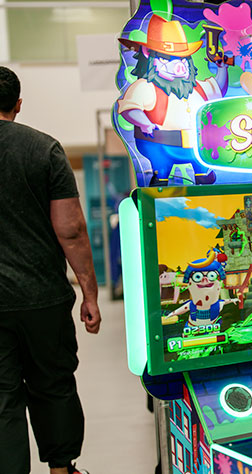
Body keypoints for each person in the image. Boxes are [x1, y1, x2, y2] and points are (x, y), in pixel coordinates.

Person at [0, 66, 102, 474]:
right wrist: (89, 293)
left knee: (2, 397)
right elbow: (71, 230)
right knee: (53, 384)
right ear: (18, 104)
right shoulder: (43, 149)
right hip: (42, 296)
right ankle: (62, 468)